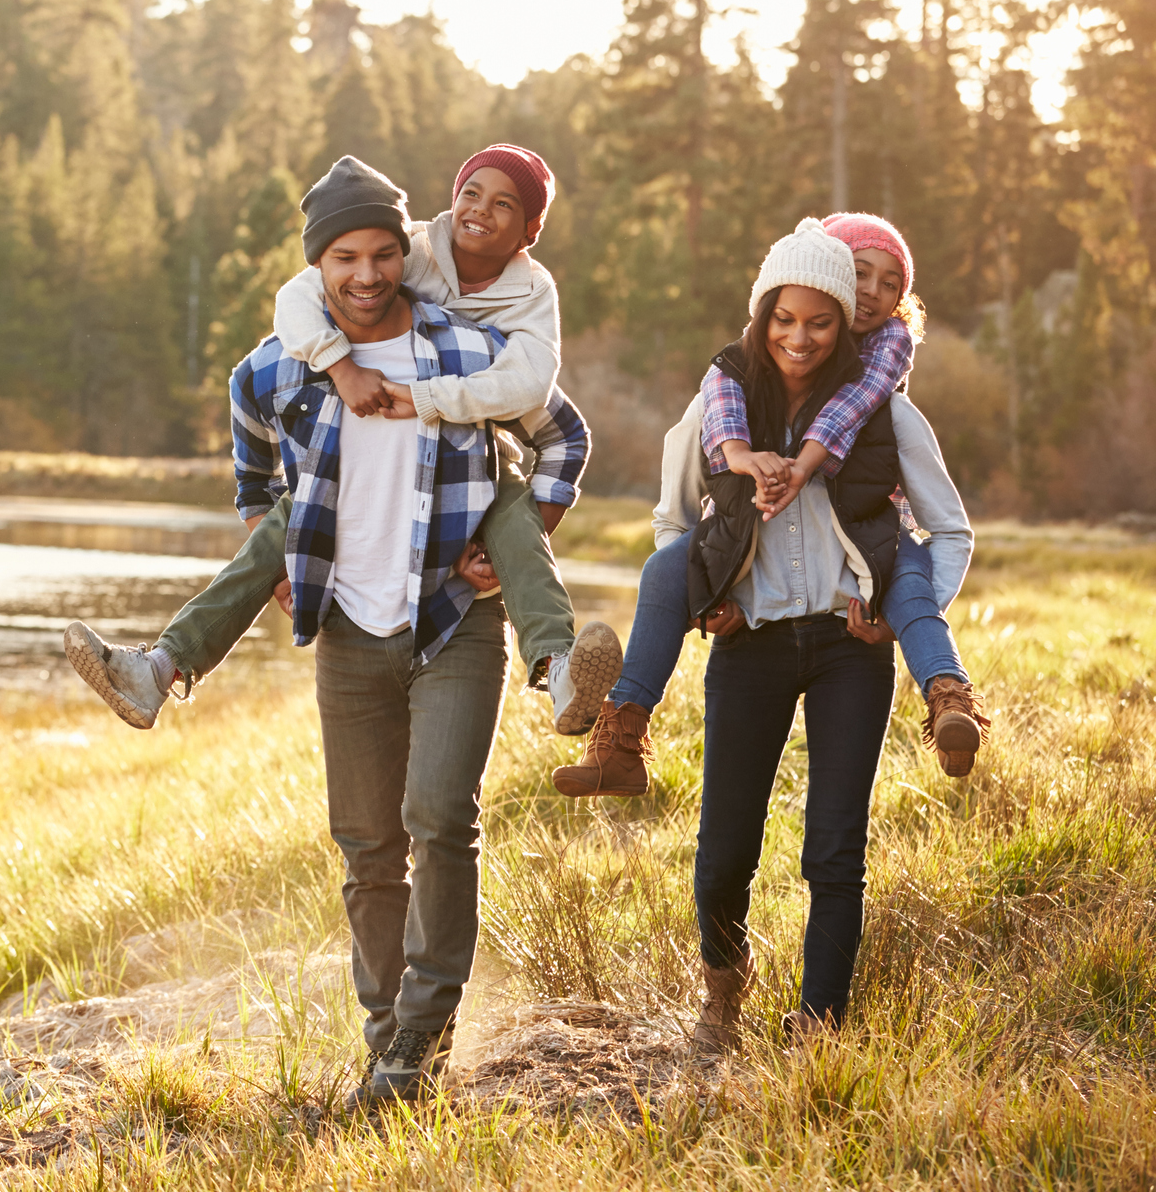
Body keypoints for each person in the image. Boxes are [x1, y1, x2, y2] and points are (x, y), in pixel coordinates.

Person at [206, 159, 590, 1102]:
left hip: (454, 617)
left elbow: (562, 433)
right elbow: (249, 441)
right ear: (318, 268)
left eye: (383, 253)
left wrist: (520, 531)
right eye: (345, 258)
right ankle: (385, 1039)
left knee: (439, 821)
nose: (368, 274)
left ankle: (420, 1039)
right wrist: (274, 542)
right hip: (345, 624)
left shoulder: (463, 350)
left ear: (401, 255)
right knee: (367, 845)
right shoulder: (282, 361)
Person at [64, 149, 618, 737]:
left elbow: (540, 393)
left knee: (513, 517)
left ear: (531, 230)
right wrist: (339, 367)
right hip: (351, 477)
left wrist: (506, 538)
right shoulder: (412, 250)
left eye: (505, 203)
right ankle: (158, 669)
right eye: (472, 193)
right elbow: (298, 299)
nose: (480, 211)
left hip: (477, 465)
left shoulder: (527, 298)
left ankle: (559, 668)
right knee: (285, 523)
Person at [651, 222, 974, 1049]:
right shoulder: (721, 404)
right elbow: (671, 522)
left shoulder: (886, 415)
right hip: (749, 645)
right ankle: (722, 993)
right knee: (724, 846)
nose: (802, 335)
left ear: (843, 321)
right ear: (768, 314)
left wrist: (898, 614)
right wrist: (702, 598)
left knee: (834, 848)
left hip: (846, 649)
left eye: (824, 318)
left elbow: (949, 532)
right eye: (787, 319)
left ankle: (819, 1022)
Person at [552, 212, 991, 800]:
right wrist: (710, 595)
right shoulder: (729, 380)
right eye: (860, 275)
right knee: (663, 569)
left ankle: (948, 696)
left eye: (891, 284)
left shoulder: (882, 383)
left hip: (867, 560)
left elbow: (871, 428)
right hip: (750, 600)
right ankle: (622, 734)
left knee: (910, 579)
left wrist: (804, 466)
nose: (873, 294)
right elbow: (677, 504)